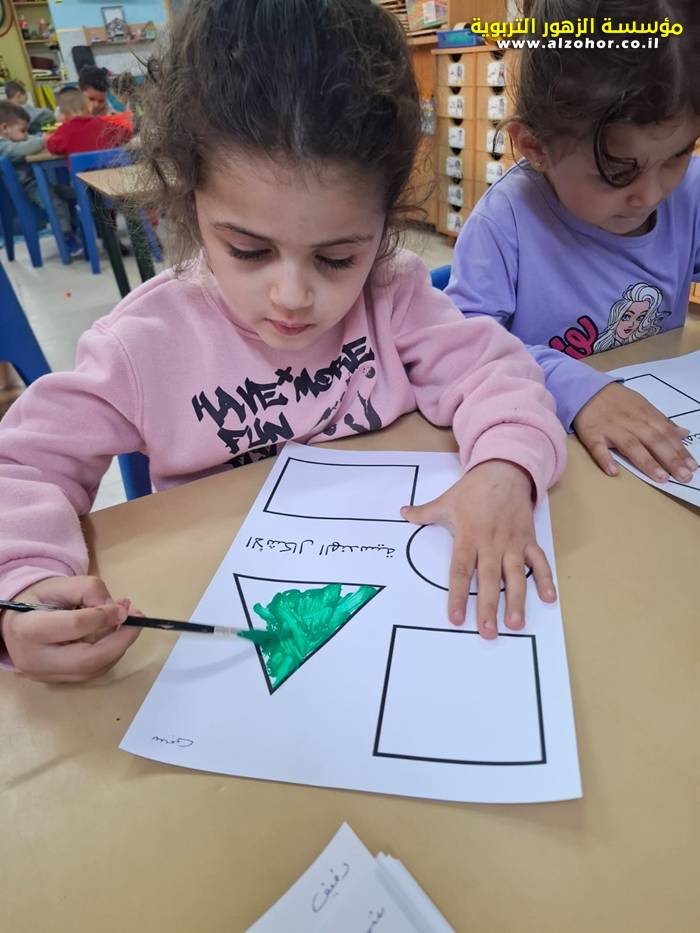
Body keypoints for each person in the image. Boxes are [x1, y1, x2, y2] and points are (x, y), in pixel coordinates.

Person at [0, 0, 566, 684]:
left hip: (389, 605)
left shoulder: (393, 295)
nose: (292, 296)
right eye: (249, 250)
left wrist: (505, 467)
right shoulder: (144, 345)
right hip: (233, 637)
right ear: (187, 200)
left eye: (337, 258)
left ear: (385, 224)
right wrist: (24, 585)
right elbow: (21, 466)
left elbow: (498, 372)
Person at [446, 0, 700, 486]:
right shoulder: (506, 222)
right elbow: (461, 347)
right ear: (535, 147)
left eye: (677, 154)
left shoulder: (689, 191)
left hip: (661, 427)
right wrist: (575, 388)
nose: (650, 195)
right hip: (554, 450)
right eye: (618, 171)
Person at [0, 101, 81, 256]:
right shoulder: (3, 145)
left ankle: (75, 226)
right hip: (27, 190)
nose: (26, 134)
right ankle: (66, 236)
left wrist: (40, 138)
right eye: (23, 130)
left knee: (70, 192)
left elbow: (29, 139)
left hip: (40, 184)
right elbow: (21, 148)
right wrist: (44, 140)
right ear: (4, 128)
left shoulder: (13, 138)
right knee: (54, 200)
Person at [46, 87, 132, 155]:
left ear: (63, 116)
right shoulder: (101, 123)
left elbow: (52, 147)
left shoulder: (64, 130)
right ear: (89, 108)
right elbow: (127, 134)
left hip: (80, 172)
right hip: (111, 169)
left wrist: (47, 139)